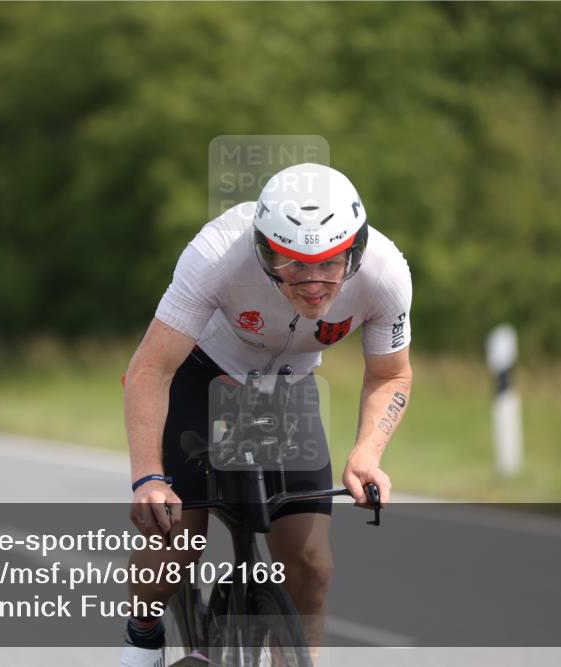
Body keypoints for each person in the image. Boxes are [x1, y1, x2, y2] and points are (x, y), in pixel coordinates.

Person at [121, 163, 413, 666]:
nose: (315, 282)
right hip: (204, 372)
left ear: (355, 250)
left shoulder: (385, 273)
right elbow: (149, 368)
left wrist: (367, 454)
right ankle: (142, 632)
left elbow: (391, 376)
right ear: (262, 249)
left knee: (310, 565)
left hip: (286, 390)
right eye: (293, 264)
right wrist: (148, 478)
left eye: (330, 263)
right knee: (177, 545)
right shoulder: (216, 254)